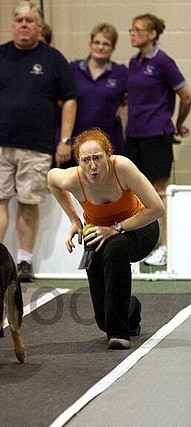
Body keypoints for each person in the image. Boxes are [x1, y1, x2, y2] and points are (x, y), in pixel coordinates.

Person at [0, 1, 77, 282]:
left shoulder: (54, 60)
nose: (24, 25)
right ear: (12, 25)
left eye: (30, 20)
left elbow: (69, 100)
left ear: (39, 27)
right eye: (19, 20)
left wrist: (65, 139)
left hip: (38, 146)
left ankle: (24, 262)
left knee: (29, 203)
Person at [47, 128, 164, 350]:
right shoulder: (73, 178)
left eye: (98, 158)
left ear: (108, 156)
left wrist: (116, 228)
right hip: (99, 233)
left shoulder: (123, 168)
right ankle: (129, 309)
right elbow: (51, 179)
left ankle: (120, 335)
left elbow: (157, 208)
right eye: (86, 160)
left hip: (141, 227)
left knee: (115, 247)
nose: (92, 166)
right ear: (79, 162)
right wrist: (74, 220)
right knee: (103, 320)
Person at [125, 13, 191, 266]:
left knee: (158, 192)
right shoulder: (134, 62)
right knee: (135, 192)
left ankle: (164, 246)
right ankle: (141, 242)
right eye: (132, 29)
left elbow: (186, 95)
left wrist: (178, 124)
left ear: (152, 34)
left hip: (157, 135)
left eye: (138, 30)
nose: (133, 33)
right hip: (134, 135)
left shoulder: (163, 61)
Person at [59, 23, 128, 168]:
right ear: (90, 45)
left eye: (106, 44)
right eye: (97, 42)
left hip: (108, 143)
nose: (101, 47)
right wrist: (63, 141)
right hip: (76, 142)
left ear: (113, 48)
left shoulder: (121, 73)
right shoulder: (73, 69)